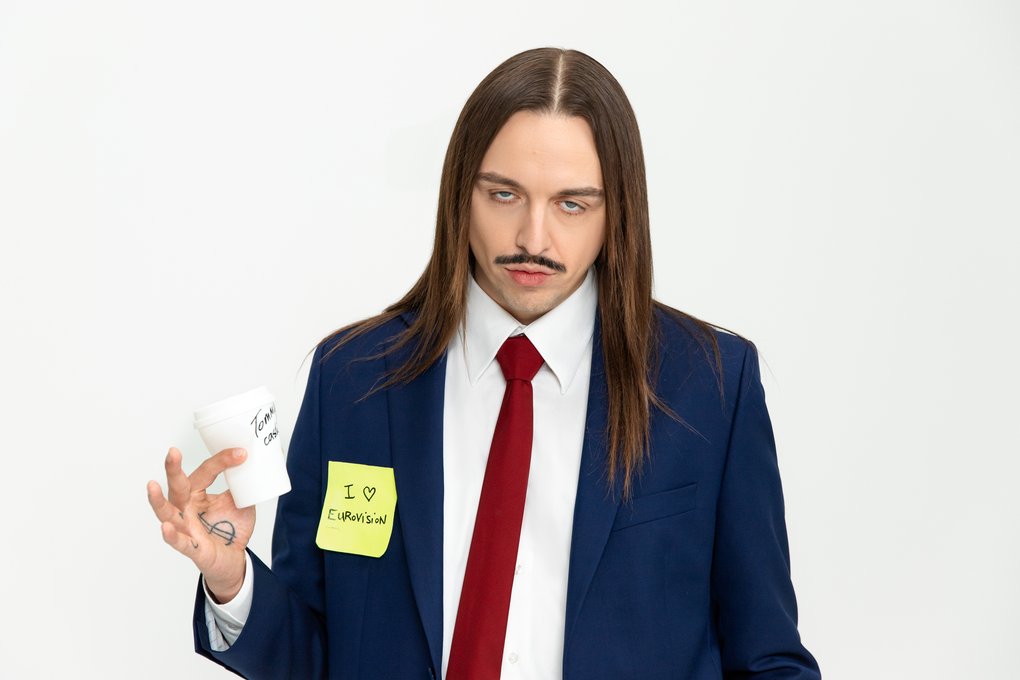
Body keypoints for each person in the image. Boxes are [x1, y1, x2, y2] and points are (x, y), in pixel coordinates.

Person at [147, 47, 821, 679]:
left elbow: (768, 660)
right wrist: (232, 579)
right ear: (460, 198)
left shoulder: (709, 385)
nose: (533, 237)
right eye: (503, 195)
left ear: (617, 215)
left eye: (571, 204)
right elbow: (317, 653)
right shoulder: (353, 381)